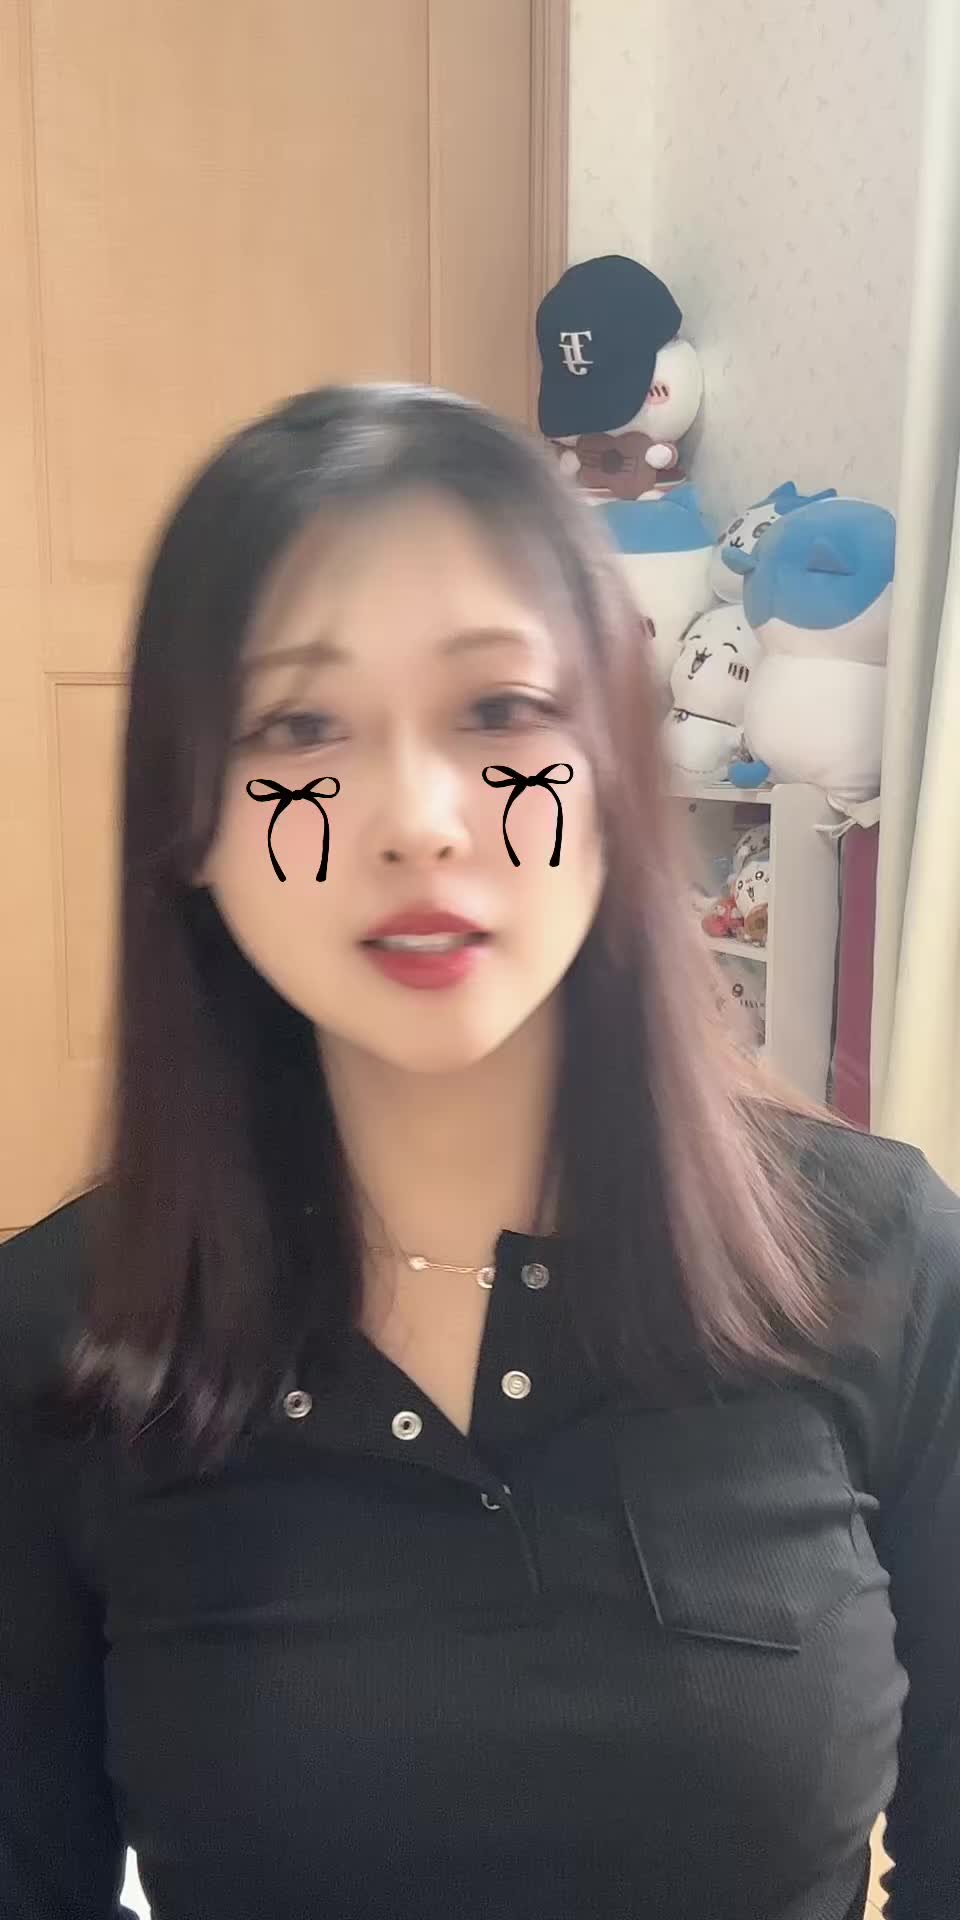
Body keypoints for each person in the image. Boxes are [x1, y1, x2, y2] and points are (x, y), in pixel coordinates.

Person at [0, 384, 957, 1920]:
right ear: (191, 822)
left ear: (612, 769)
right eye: (299, 728)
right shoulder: (61, 1336)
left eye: (501, 712)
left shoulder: (884, 1260)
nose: (422, 821)